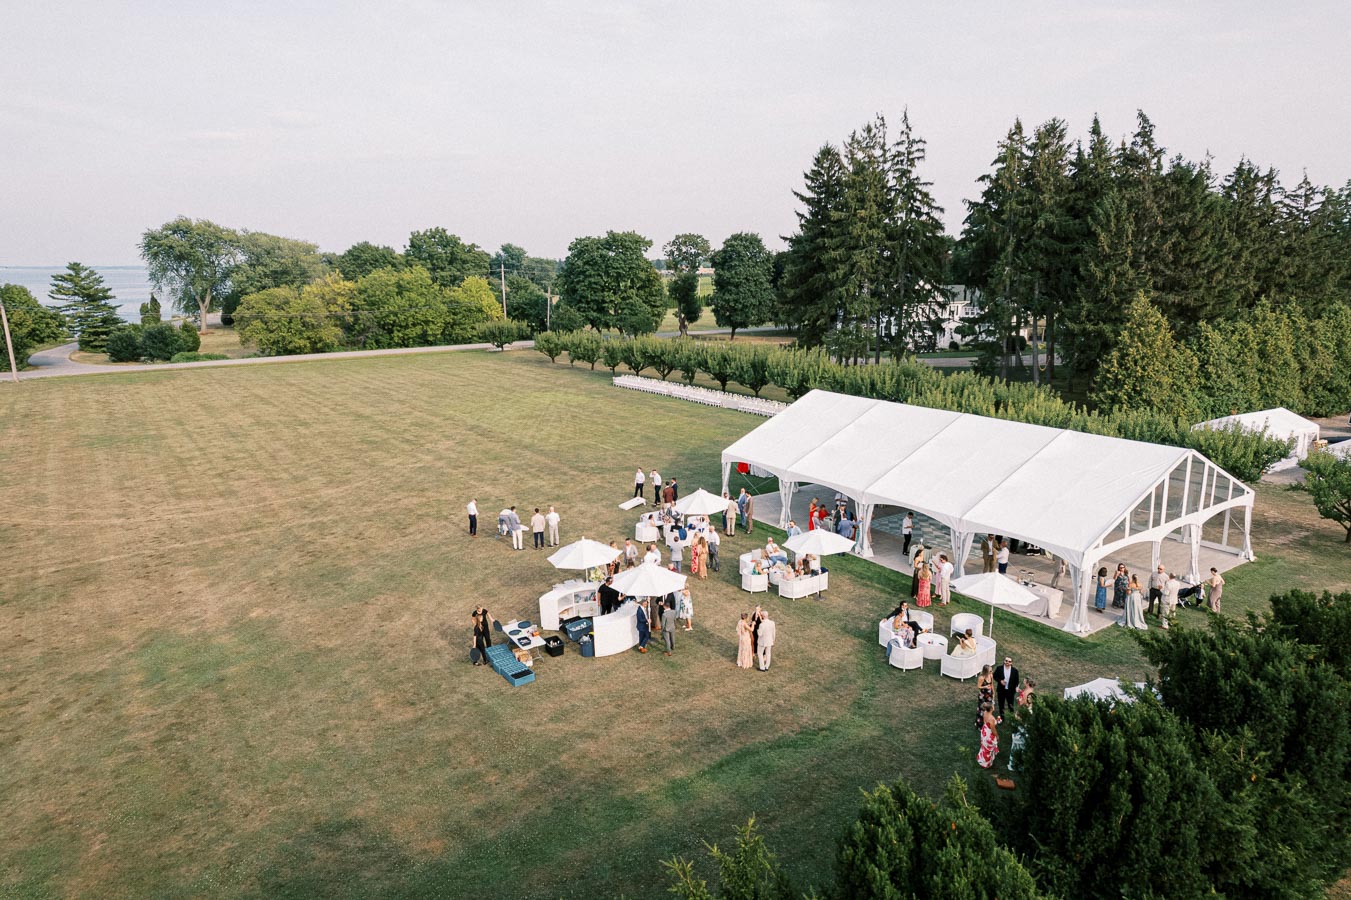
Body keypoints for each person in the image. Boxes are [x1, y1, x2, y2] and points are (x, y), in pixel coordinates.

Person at [977, 701, 999, 769]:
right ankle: (986, 764)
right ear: (991, 708)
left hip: (984, 730)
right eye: (993, 705)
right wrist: (997, 736)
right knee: (988, 749)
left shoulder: (985, 713)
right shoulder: (992, 718)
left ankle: (982, 759)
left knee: (984, 746)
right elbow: (993, 729)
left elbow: (985, 722)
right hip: (989, 734)